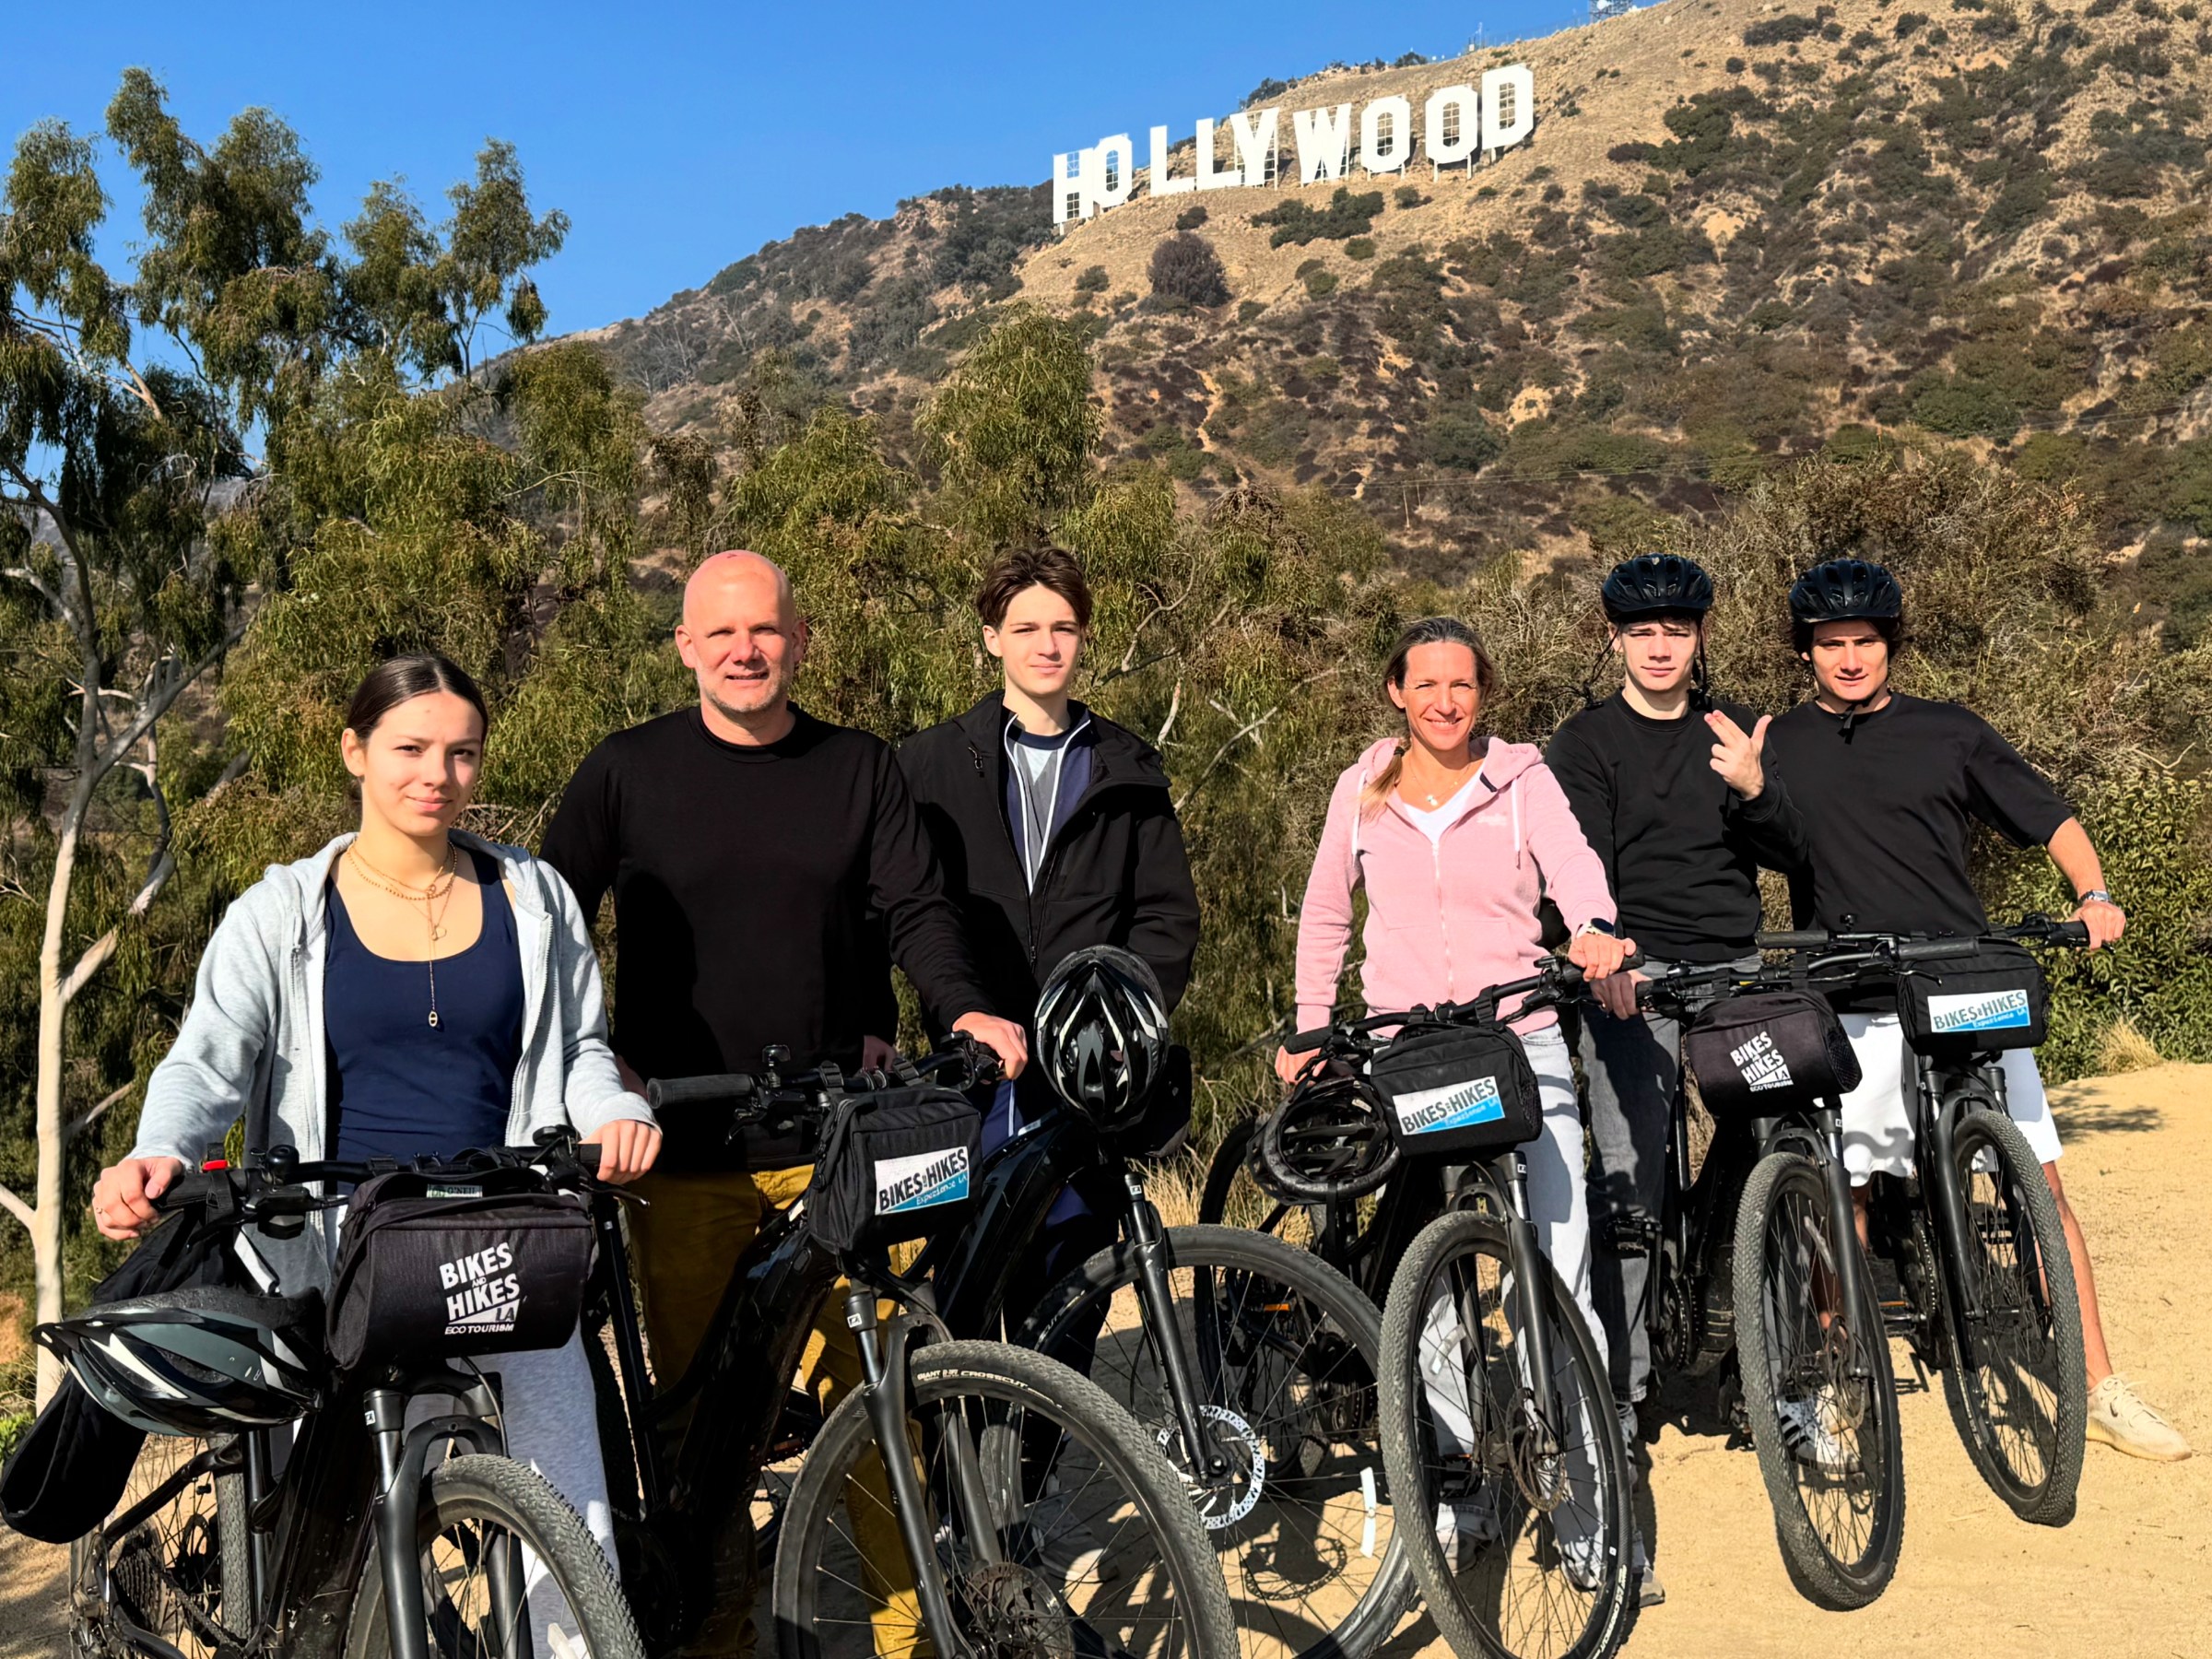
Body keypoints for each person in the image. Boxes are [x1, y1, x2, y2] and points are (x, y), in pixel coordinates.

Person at [90, 653, 663, 1650]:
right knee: (334, 1553)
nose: (435, 774)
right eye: (410, 748)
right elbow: (205, 1062)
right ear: (355, 752)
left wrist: (613, 1109)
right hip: (341, 1248)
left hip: (504, 1237)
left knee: (572, 1528)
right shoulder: (282, 915)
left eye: (462, 753)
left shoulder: (533, 897)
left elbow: (578, 1048)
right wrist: (160, 1152)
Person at [539, 548, 1029, 1655]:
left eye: (763, 631)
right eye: (719, 634)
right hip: (678, 1157)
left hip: (833, 1147)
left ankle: (911, 1641)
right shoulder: (624, 771)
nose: (743, 651)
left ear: (799, 641)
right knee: (702, 1439)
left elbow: (917, 911)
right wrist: (579, 1064)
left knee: (877, 1403)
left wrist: (965, 1010)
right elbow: (543, 923)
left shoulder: (859, 768)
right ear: (685, 649)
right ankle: (716, 1638)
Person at [1766, 557, 2189, 1463]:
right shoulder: (1779, 745)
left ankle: (2102, 1383)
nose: (1849, 658)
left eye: (1865, 642)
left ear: (1890, 646)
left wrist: (2096, 893)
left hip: (1962, 986)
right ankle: (1842, 1383)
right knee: (1847, 1200)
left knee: (2044, 1185)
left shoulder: (1949, 731)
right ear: (1808, 652)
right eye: (1831, 644)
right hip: (1856, 998)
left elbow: (2049, 817)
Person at [1281, 616, 1637, 1564]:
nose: (1445, 701)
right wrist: (1313, 1025)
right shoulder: (1360, 789)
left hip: (1519, 1043)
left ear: (1486, 695)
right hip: (1410, 1060)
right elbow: (1326, 912)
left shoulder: (1524, 783)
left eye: (1463, 686)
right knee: (1428, 1289)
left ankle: (1590, 1519)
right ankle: (1472, 1471)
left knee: (1555, 1281)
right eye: (1426, 684)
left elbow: (1575, 869)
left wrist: (1595, 927)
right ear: (1396, 691)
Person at [1546, 553, 1810, 1606]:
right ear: (1615, 638)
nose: (1661, 644)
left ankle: (1770, 1376)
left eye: (1679, 628)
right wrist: (1600, 952)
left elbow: (1793, 849)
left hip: (1737, 970)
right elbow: (1571, 869)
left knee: (1776, 1166)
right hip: (1633, 980)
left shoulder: (1735, 728)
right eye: (1642, 629)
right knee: (1630, 1186)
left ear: (1701, 636)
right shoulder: (1586, 742)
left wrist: (1754, 789)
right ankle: (1624, 1396)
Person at [897, 547, 1201, 1330]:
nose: (1047, 645)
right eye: (1025, 626)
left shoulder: (1129, 767)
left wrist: (1117, 1019)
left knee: (1067, 1303)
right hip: (968, 1083)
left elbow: (1167, 919)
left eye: (1065, 627)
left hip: (1088, 1082)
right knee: (962, 1308)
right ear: (991, 637)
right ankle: (966, 1450)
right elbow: (903, 907)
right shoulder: (929, 763)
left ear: (1085, 637)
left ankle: (1035, 1454)